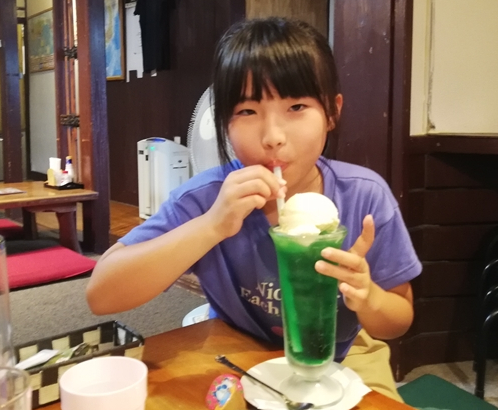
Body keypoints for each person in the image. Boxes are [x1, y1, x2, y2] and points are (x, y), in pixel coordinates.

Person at [86, 17, 421, 401]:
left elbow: (398, 321)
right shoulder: (207, 199)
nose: (273, 137)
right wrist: (211, 226)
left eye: (296, 106)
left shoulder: (364, 197)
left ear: (332, 112)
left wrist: (368, 297)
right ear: (223, 122)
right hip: (236, 349)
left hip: (344, 356)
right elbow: (102, 294)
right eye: (247, 111)